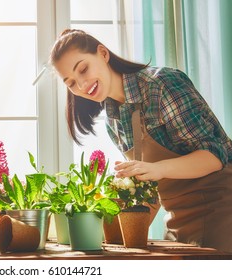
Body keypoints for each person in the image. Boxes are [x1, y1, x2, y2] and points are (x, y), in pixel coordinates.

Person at [50, 29, 232, 252]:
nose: (81, 85)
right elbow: (148, 188)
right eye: (71, 83)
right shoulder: (113, 120)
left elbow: (215, 155)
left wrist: (159, 169)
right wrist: (118, 232)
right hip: (178, 224)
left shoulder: (160, 85)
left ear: (103, 54)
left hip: (223, 213)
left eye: (83, 69)